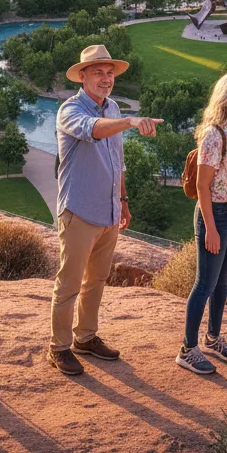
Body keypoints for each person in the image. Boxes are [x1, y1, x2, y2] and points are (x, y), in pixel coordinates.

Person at [48, 44, 163, 376]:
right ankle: (58, 347)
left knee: (96, 279)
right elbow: (93, 131)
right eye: (98, 72)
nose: (105, 78)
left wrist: (124, 201)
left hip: (109, 210)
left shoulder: (111, 106)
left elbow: (117, 161)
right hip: (79, 211)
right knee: (69, 283)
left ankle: (85, 337)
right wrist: (129, 121)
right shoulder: (70, 111)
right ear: (82, 76)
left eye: (109, 72)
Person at [176, 73, 227, 377]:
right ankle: (187, 349)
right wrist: (209, 227)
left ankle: (212, 338)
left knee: (223, 282)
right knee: (205, 283)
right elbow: (203, 186)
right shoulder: (213, 135)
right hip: (216, 215)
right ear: (226, 100)